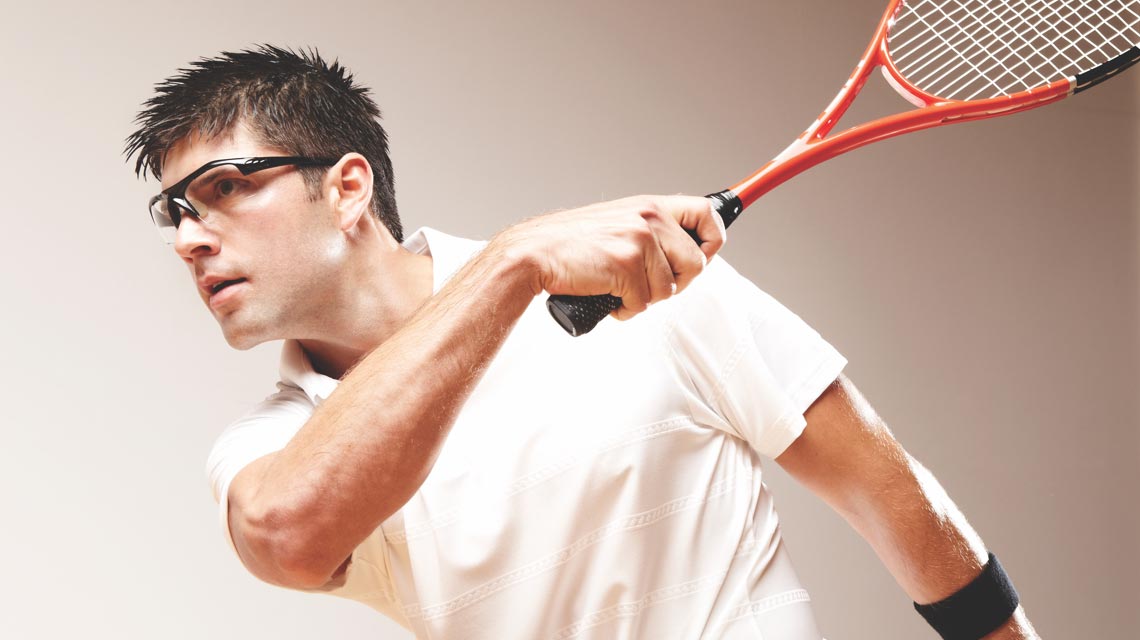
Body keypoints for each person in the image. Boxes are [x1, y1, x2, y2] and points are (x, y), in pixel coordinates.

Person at [126, 46, 1039, 639]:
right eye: (174, 212)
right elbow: (287, 534)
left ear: (349, 187)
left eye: (223, 188)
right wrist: (514, 263)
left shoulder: (651, 280)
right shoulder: (271, 448)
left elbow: (894, 499)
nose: (189, 237)